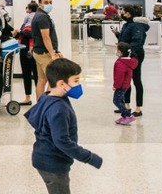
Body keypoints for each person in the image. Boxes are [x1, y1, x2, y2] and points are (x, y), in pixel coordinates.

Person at [25, 58, 103, 194]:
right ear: (62, 83)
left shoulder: (47, 96)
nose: (79, 85)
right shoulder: (59, 109)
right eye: (76, 81)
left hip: (44, 157)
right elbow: (62, 141)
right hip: (53, 164)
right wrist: (89, 157)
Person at [110, 4, 148, 117]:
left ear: (130, 13)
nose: (123, 14)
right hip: (126, 56)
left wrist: (128, 53)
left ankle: (138, 108)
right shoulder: (127, 25)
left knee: (136, 80)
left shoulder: (137, 26)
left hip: (134, 56)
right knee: (126, 80)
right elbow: (125, 39)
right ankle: (126, 105)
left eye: (124, 12)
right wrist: (117, 34)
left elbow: (137, 42)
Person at [32, 0, 63, 99]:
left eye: (50, 2)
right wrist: (52, 54)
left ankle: (40, 105)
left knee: (42, 79)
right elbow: (46, 37)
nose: (49, 4)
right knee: (53, 79)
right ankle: (47, 105)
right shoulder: (42, 17)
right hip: (45, 54)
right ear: (40, 3)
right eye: (46, 2)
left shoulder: (39, 15)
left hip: (39, 52)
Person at [17, 1, 39, 105]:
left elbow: (32, 34)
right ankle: (28, 97)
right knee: (27, 74)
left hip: (31, 51)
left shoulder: (36, 20)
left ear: (30, 9)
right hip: (24, 50)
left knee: (35, 75)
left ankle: (38, 98)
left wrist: (20, 32)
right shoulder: (25, 22)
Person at [113, 42, 138, 125]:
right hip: (126, 85)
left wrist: (115, 86)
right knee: (121, 100)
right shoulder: (129, 61)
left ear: (120, 52)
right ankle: (124, 116)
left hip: (121, 86)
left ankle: (128, 115)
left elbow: (119, 76)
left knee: (116, 101)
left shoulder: (120, 63)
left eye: (117, 49)